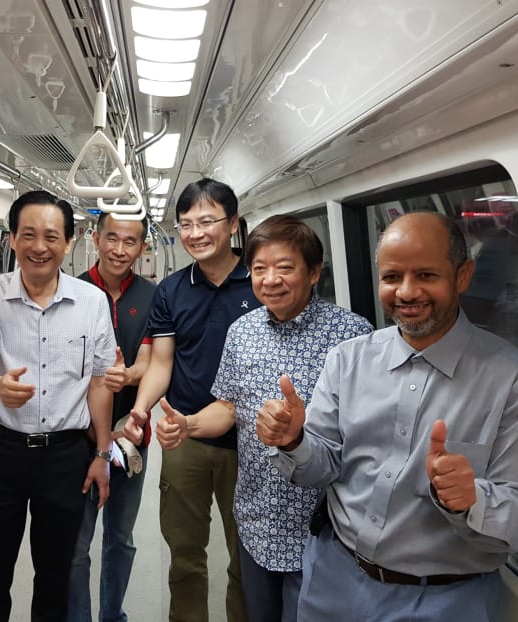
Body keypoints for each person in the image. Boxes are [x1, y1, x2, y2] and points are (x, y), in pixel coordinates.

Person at [257, 212, 518, 622]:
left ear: (463, 276)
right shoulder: (348, 359)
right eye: (392, 277)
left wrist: (471, 499)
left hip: (446, 601)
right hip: (333, 580)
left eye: (426, 275)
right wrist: (294, 441)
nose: (406, 292)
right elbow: (321, 468)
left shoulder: (508, 377)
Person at [155, 214, 372, 622]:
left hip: (323, 530)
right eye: (259, 269)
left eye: (285, 267)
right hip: (256, 521)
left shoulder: (353, 337)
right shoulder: (242, 332)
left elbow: (367, 436)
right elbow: (229, 407)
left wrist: (301, 434)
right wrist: (189, 425)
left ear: (314, 272)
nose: (270, 279)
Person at [0, 190, 116, 621]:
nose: (39, 247)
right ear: (12, 239)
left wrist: (102, 452)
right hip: (1, 452)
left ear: (69, 243)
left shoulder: (91, 302)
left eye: (51, 236)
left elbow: (100, 383)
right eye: (27, 235)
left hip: (65, 454)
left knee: (56, 573)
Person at [125, 178, 260, 622]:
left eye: (206, 221)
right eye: (185, 225)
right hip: (184, 436)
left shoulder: (262, 281)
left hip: (251, 442)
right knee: (184, 553)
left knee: (247, 555)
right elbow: (162, 363)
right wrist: (141, 410)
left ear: (233, 224)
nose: (196, 233)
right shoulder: (172, 290)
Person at [68, 212, 156, 622]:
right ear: (95, 239)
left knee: (120, 538)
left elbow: (153, 359)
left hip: (132, 436)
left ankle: (111, 615)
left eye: (131, 242)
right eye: (112, 239)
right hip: (78, 439)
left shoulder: (154, 296)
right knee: (76, 544)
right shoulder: (73, 291)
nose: (120, 250)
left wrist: (131, 376)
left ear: (143, 247)